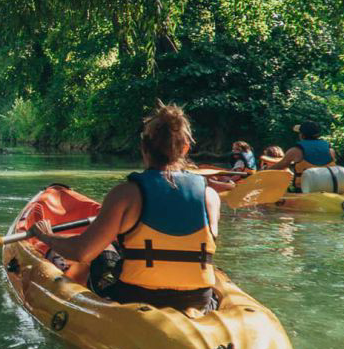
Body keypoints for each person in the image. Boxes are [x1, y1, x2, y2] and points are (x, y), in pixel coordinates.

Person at [31, 102, 221, 312]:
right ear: (185, 148)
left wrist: (46, 236)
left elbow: (82, 252)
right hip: (198, 300)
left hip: (139, 297)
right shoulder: (210, 196)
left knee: (104, 251)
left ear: (143, 147)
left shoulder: (126, 194)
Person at [263, 122, 344, 193]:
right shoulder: (330, 150)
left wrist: (264, 172)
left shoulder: (295, 150)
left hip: (305, 189)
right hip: (332, 188)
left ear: (302, 135)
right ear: (318, 135)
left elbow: (281, 166)